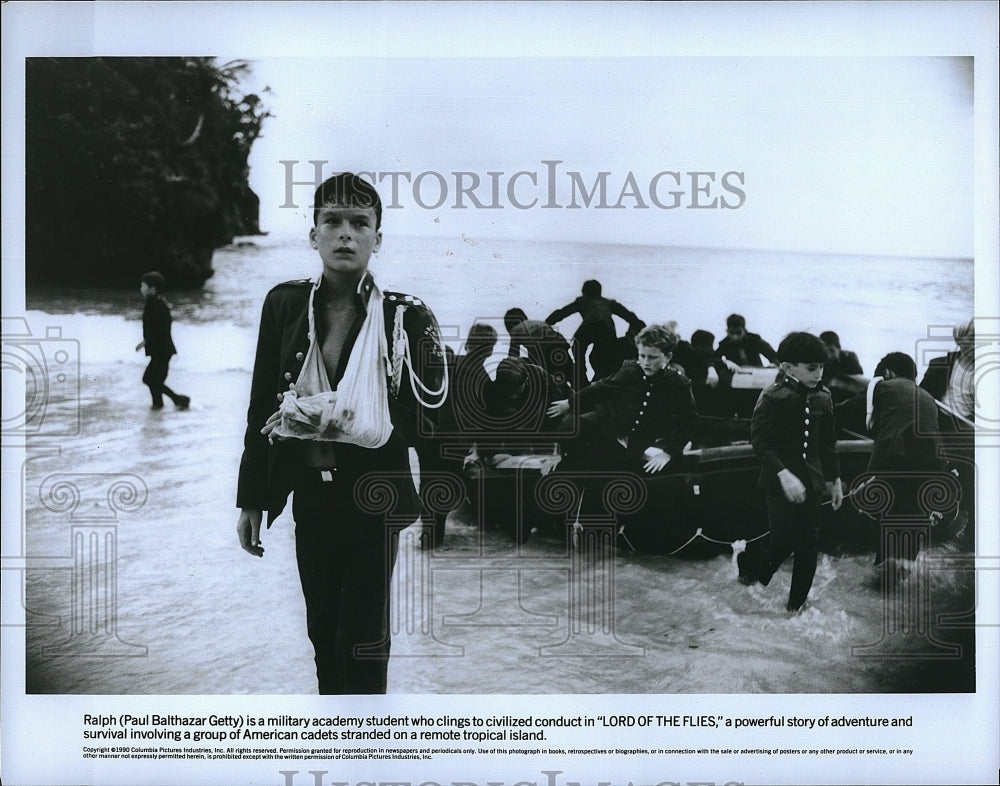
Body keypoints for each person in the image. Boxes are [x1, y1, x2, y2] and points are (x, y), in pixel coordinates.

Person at [235, 173, 446, 694]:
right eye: (332, 221)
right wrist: (252, 500)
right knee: (322, 630)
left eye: (360, 223)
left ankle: (365, 751)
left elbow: (432, 422)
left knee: (362, 636)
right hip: (311, 494)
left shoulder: (405, 315)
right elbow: (263, 406)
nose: (345, 234)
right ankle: (337, 740)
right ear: (313, 234)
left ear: (378, 237)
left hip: (375, 497)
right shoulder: (283, 304)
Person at [739, 331, 843, 613]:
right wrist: (783, 474)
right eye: (811, 368)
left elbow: (827, 443)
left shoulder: (824, 397)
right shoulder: (773, 397)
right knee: (782, 542)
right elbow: (760, 443)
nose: (818, 373)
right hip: (778, 481)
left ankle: (795, 607)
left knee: (808, 546)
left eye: (821, 367)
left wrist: (835, 479)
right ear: (787, 367)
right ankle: (749, 568)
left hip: (811, 481)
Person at [547, 324, 699, 480]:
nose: (645, 362)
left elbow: (690, 421)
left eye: (652, 357)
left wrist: (669, 453)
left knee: (623, 469)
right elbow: (601, 388)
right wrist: (569, 403)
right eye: (642, 356)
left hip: (638, 440)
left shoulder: (678, 384)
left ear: (667, 357)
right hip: (608, 422)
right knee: (571, 428)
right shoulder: (630, 370)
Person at [836, 352, 947, 564]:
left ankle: (880, 579)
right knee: (911, 525)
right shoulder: (926, 397)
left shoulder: (883, 387)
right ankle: (900, 577)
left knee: (888, 523)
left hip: (897, 459)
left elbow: (840, 413)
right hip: (933, 464)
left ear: (887, 374)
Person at [545, 279, 645, 384]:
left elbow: (562, 313)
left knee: (578, 349)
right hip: (607, 329)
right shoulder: (609, 302)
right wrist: (642, 329)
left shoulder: (583, 301)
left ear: (584, 292)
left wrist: (546, 323)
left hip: (589, 327)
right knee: (602, 357)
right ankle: (600, 378)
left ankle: (581, 380)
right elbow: (629, 316)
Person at [135, 271, 190, 411]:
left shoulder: (158, 304)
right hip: (159, 350)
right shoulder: (152, 302)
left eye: (143, 286)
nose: (141, 288)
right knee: (154, 380)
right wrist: (146, 341)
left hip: (163, 351)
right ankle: (158, 406)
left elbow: (163, 327)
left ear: (152, 288)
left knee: (149, 379)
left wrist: (147, 341)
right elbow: (153, 328)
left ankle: (179, 400)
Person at [919, 318, 976, 426]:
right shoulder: (938, 365)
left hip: (969, 425)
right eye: (972, 338)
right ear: (959, 340)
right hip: (940, 418)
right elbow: (922, 396)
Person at [504, 307, 575, 393]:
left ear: (510, 325)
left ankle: (563, 395)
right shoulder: (539, 322)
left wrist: (511, 367)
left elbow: (513, 353)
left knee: (552, 379)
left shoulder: (516, 330)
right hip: (560, 345)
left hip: (543, 351)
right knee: (570, 372)